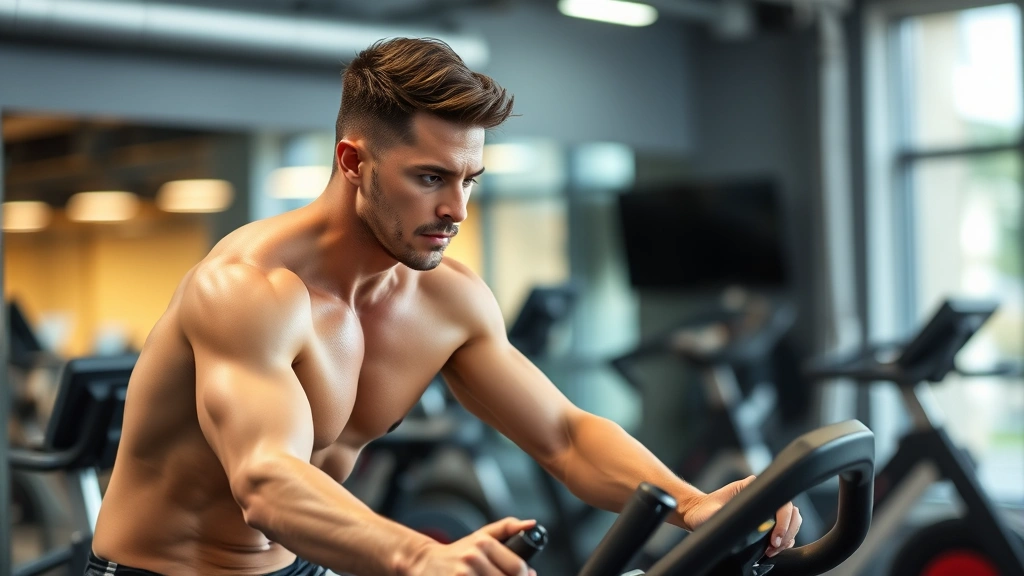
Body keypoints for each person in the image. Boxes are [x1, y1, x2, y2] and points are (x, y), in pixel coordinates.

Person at [89, 37, 802, 576]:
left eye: (470, 179)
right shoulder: (248, 289)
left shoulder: (446, 299)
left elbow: (564, 435)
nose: (456, 209)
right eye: (430, 177)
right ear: (352, 162)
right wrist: (420, 558)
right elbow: (266, 483)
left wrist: (689, 502)